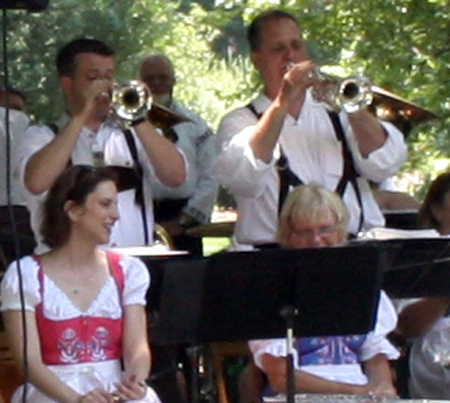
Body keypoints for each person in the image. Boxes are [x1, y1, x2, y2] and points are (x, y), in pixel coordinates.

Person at [215, 9, 407, 250]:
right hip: (275, 257)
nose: (290, 56)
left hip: (351, 251)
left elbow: (386, 164)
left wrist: (351, 106)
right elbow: (244, 180)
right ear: (257, 60)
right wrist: (282, 102)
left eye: (296, 46)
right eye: (278, 49)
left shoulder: (337, 115)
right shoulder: (240, 121)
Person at [0, 165, 161, 403]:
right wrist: (76, 399)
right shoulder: (26, 275)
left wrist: (135, 381)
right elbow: (29, 362)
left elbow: (136, 348)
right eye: (106, 204)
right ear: (73, 210)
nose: (116, 214)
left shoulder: (127, 271)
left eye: (115, 204)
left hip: (112, 388)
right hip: (53, 391)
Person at [13, 38, 186, 254]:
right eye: (93, 78)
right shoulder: (41, 136)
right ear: (67, 84)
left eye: (109, 76)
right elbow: (36, 183)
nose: (104, 86)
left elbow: (176, 177)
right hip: (67, 272)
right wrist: (81, 116)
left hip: (133, 266)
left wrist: (136, 117)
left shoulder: (135, 134)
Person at [247, 184, 399, 398]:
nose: (316, 240)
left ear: (340, 231)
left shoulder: (361, 284)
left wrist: (382, 388)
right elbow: (280, 376)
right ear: (288, 236)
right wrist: (358, 392)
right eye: (304, 232)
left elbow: (375, 355)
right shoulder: (270, 290)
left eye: (325, 229)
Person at [139, 54, 217, 255]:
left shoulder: (194, 125)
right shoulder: (126, 126)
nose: (157, 83)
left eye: (163, 77)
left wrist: (183, 221)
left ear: (174, 80)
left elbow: (211, 175)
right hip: (140, 216)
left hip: (184, 219)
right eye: (150, 78)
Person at [394, 172, 450, 399]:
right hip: (437, 349)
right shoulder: (419, 254)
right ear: (437, 210)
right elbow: (405, 328)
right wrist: (444, 292)